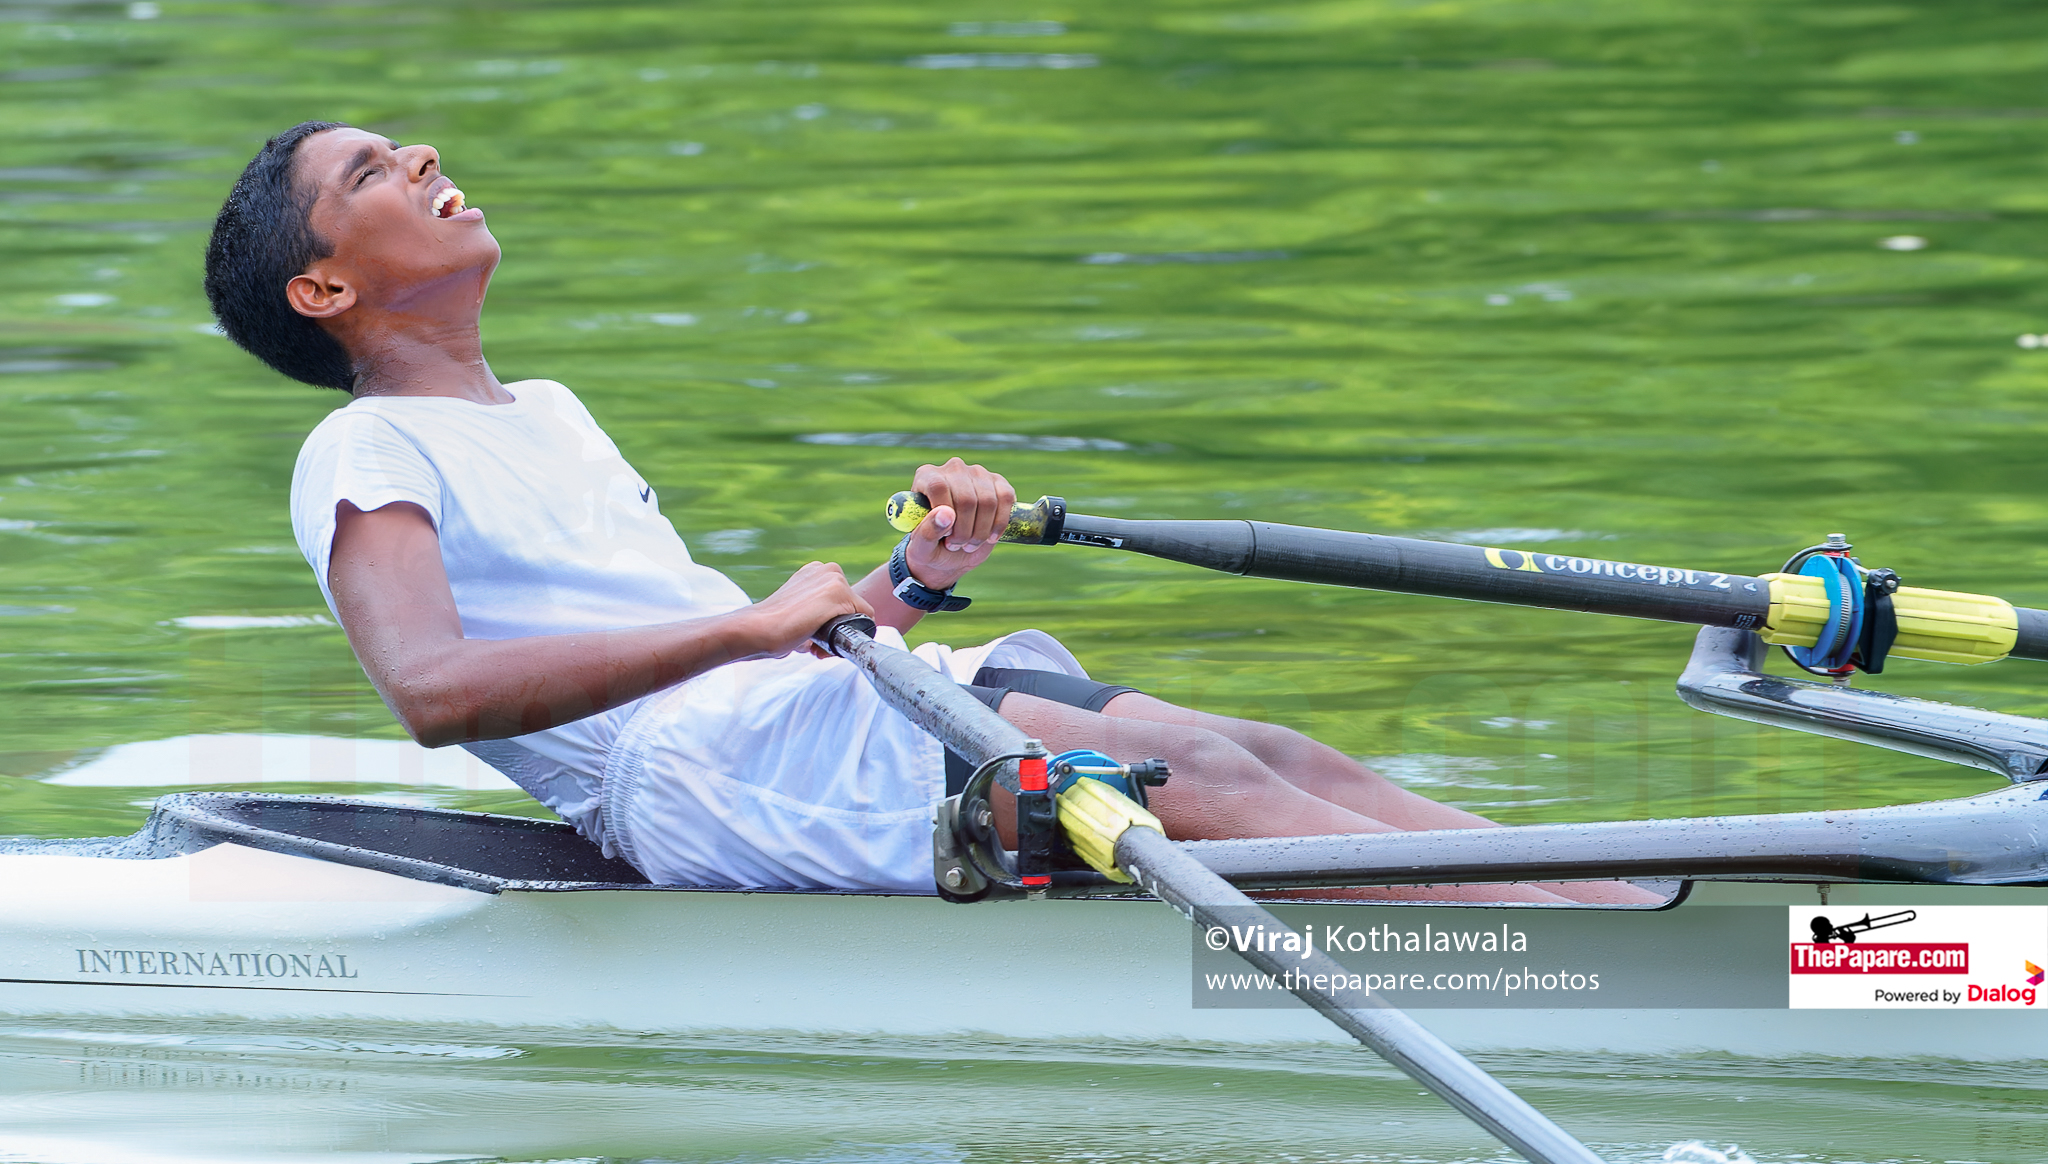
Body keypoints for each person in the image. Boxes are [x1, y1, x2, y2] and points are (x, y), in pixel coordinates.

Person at [203, 121, 1645, 903]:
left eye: (409, 148)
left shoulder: (552, 410)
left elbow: (774, 643)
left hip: (781, 715)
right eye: (374, 174)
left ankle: (1662, 916)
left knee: (1255, 748)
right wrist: (749, 626)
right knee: (1209, 790)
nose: (427, 161)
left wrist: (913, 580)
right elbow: (436, 694)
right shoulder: (363, 445)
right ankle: (1609, 970)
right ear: (323, 289)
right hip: (692, 776)